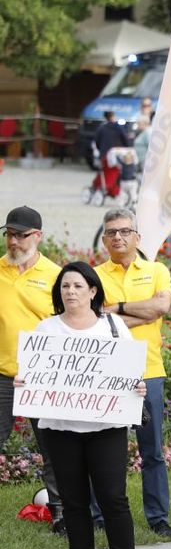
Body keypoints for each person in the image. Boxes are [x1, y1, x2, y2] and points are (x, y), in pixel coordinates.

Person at [34, 262, 146, 549]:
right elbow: (36, 373)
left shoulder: (112, 327)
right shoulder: (46, 330)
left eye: (78, 286)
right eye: (65, 286)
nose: (71, 292)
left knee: (113, 498)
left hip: (107, 426)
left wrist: (136, 387)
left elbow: (129, 373)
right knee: (73, 500)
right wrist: (27, 382)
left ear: (93, 291)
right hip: (62, 428)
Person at [94, 209, 171, 537]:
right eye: (112, 232)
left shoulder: (156, 270)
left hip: (148, 370)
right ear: (104, 239)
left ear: (137, 237)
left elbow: (162, 307)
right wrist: (142, 312)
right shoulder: (94, 275)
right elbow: (93, 320)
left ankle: (158, 517)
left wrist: (117, 309)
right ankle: (97, 514)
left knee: (152, 449)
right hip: (106, 372)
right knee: (99, 448)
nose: (118, 237)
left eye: (125, 231)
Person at [0, 207, 63, 532]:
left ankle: (61, 513)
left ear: (37, 236)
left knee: (52, 449)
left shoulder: (56, 276)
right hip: (3, 375)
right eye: (9, 234)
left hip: (43, 376)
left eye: (21, 235)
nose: (13, 241)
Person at [92, 111, 129, 198]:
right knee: (114, 173)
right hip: (116, 155)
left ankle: (98, 186)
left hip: (104, 154)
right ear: (113, 117)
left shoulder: (101, 128)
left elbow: (97, 141)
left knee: (104, 172)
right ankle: (111, 189)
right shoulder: (118, 127)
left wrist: (100, 150)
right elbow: (125, 140)